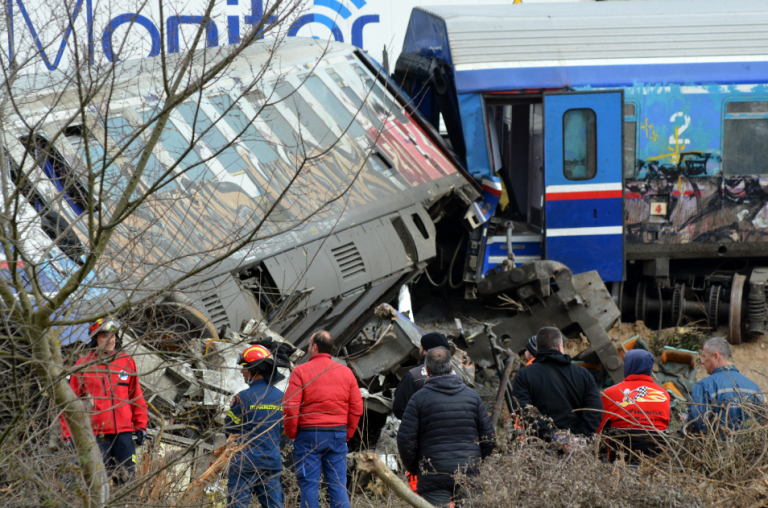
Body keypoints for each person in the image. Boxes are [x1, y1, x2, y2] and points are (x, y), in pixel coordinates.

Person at [397, 347, 495, 507]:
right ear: (451, 368)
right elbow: (489, 437)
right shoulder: (472, 397)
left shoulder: (417, 399)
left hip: (433, 474)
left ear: (427, 371)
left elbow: (404, 440)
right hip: (467, 472)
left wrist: (417, 468)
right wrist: (476, 462)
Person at [59, 317, 148, 484]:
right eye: (104, 335)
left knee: (127, 484)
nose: (111, 339)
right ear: (95, 338)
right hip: (96, 438)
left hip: (124, 436)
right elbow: (69, 404)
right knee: (98, 486)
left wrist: (141, 425)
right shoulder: (82, 365)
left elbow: (136, 397)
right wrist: (67, 435)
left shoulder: (127, 362)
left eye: (113, 335)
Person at [283, 330, 363, 508]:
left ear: (315, 347)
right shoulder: (346, 372)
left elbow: (290, 406)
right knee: (338, 486)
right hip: (337, 436)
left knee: (309, 486)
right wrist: (347, 434)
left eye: (310, 344)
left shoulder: (300, 371)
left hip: (308, 436)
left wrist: (293, 433)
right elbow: (357, 407)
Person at [511, 326, 603, 439]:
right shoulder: (583, 374)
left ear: (537, 349)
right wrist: (578, 437)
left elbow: (524, 412)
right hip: (579, 450)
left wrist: (554, 436)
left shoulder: (524, 375)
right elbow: (595, 410)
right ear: (560, 347)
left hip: (541, 449)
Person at [226, 344, 286, 508]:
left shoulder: (242, 398)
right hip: (271, 462)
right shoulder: (282, 399)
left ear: (254, 369)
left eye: (245, 367)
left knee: (237, 504)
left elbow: (230, 430)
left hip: (244, 463)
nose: (241, 371)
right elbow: (284, 431)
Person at [599, 349, 670, 459]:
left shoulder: (610, 393)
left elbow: (597, 430)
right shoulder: (664, 395)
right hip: (655, 462)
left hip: (620, 462)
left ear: (628, 365)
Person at [685, 337, 763, 434]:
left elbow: (696, 424)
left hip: (716, 448)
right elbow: (761, 425)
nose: (702, 361)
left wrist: (686, 422)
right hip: (749, 449)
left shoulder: (704, 386)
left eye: (704, 356)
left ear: (716, 356)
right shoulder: (754, 388)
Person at [392, 332, 453, 420]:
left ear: (424, 350)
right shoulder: (459, 377)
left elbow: (399, 408)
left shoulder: (413, 376)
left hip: (425, 431)